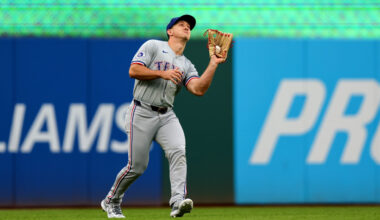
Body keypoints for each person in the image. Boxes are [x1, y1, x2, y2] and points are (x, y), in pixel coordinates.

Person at [101, 14, 225, 218]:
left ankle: (177, 201)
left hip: (166, 114)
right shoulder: (154, 46)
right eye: (181, 25)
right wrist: (162, 73)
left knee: (178, 151)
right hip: (141, 110)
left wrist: (213, 64)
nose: (187, 28)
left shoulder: (186, 64)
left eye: (189, 26)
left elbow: (198, 89)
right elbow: (133, 70)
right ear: (170, 31)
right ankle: (111, 200)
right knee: (137, 167)